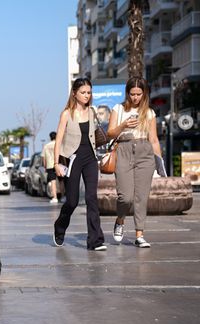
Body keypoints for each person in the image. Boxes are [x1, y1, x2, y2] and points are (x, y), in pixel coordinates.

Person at [106, 77, 163, 248]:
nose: (135, 97)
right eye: (132, 94)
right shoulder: (119, 109)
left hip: (145, 152)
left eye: (139, 94)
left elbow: (153, 139)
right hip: (124, 149)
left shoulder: (150, 113)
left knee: (141, 197)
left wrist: (160, 163)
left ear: (144, 94)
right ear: (127, 93)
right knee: (126, 197)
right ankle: (120, 220)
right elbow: (109, 133)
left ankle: (140, 234)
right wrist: (123, 125)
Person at [53, 78, 106, 251]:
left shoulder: (92, 111)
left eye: (89, 92)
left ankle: (95, 240)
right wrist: (56, 163)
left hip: (90, 158)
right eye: (83, 92)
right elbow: (59, 140)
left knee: (92, 198)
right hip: (73, 159)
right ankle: (59, 228)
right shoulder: (66, 113)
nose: (86, 96)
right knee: (72, 201)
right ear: (74, 93)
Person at [42, 132, 59, 203]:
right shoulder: (58, 144)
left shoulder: (46, 146)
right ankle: (64, 196)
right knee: (61, 181)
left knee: (53, 181)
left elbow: (43, 157)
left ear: (50, 137)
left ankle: (55, 197)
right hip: (58, 164)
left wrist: (45, 166)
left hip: (50, 165)